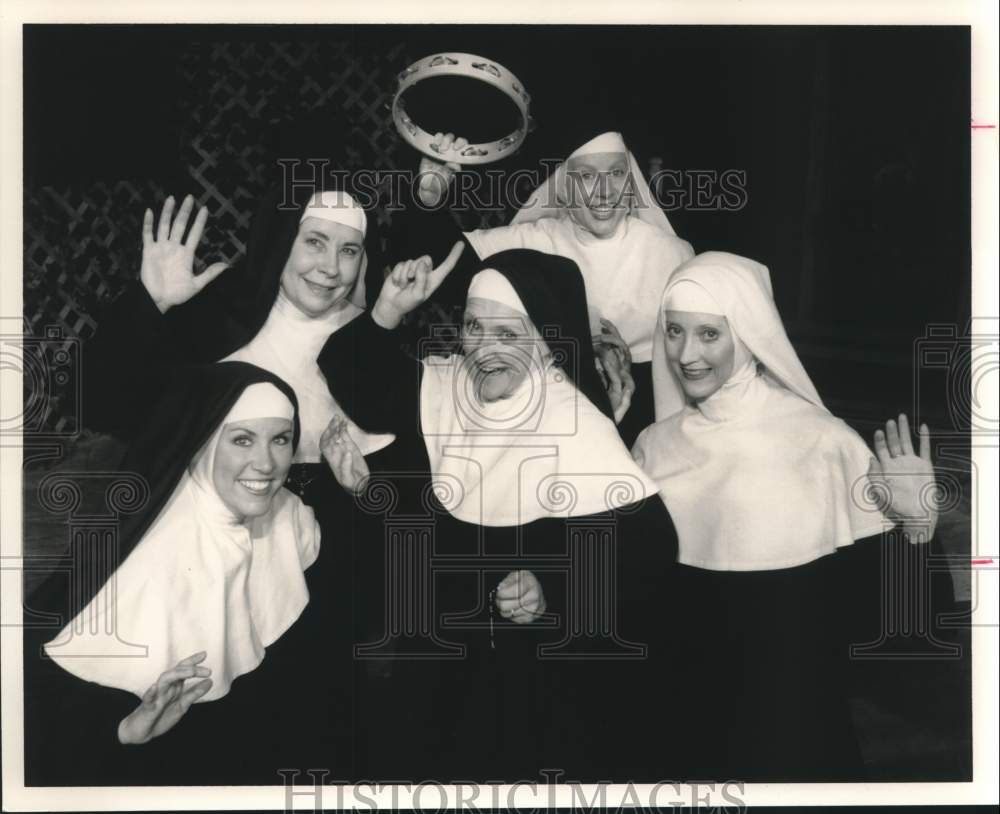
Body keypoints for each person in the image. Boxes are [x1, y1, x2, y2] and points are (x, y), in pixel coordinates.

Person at [317, 247, 680, 781]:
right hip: (436, 663)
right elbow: (356, 376)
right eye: (473, 327)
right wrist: (387, 311)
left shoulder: (576, 423)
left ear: (544, 342)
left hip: (528, 682)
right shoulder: (450, 389)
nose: (485, 350)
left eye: (508, 336)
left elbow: (647, 552)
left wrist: (552, 588)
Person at [631, 251, 939, 780]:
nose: (685, 354)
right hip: (680, 722)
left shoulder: (824, 442)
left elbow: (894, 640)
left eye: (709, 334)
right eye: (675, 331)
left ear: (749, 333)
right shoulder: (653, 445)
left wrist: (915, 527)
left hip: (788, 730)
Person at [23, 362, 355, 785]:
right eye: (241, 440)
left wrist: (353, 493)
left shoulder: (288, 513)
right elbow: (49, 727)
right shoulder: (152, 556)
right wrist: (126, 730)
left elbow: (332, 595)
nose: (266, 463)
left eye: (281, 440)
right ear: (204, 444)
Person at [388, 127, 695, 447]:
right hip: (550, 423)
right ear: (564, 185)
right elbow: (431, 266)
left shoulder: (670, 253)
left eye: (616, 173)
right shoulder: (534, 239)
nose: (605, 191)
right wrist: (428, 197)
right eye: (587, 176)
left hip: (649, 422)